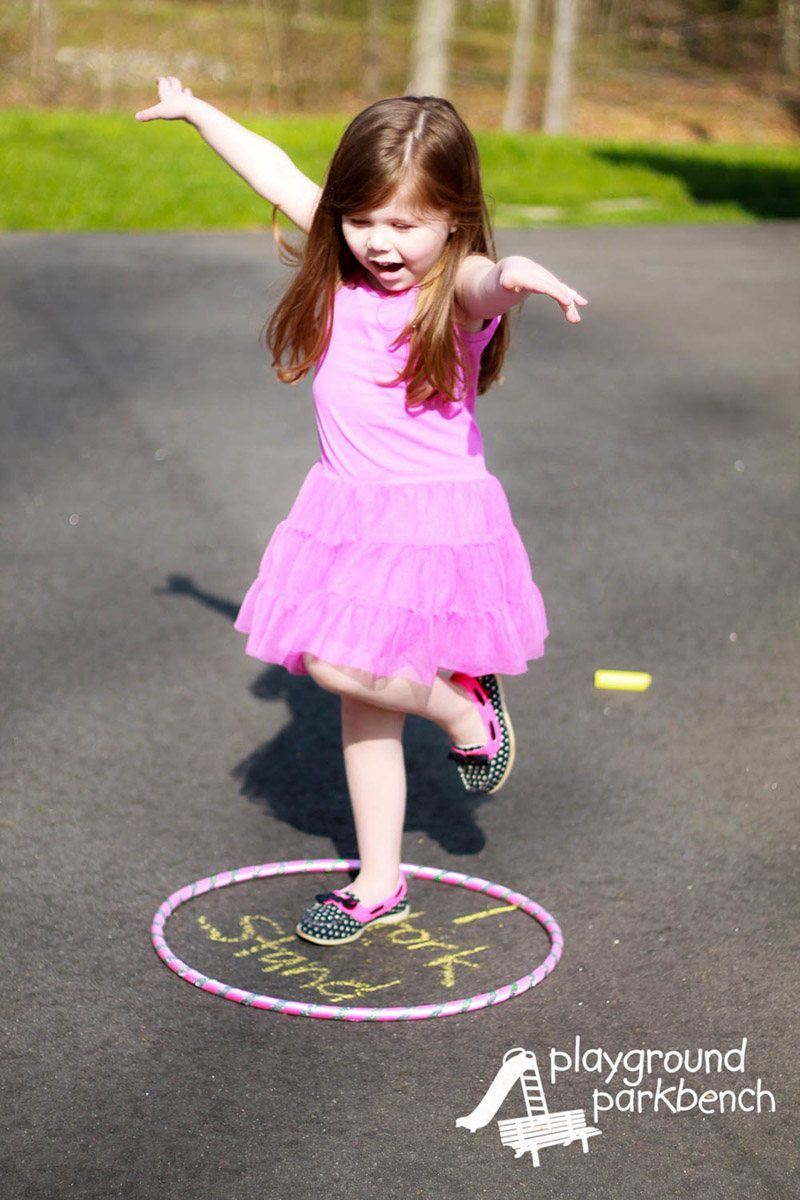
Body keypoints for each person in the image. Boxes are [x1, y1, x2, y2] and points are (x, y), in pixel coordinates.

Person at [136, 77, 587, 946]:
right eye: (362, 218)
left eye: (405, 224)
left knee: (336, 665)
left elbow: (491, 281)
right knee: (361, 705)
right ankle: (379, 881)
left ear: (452, 218)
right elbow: (272, 172)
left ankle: (465, 712)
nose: (379, 242)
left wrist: (518, 274)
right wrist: (197, 112)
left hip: (430, 523)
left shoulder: (452, 291)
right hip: (347, 513)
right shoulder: (344, 261)